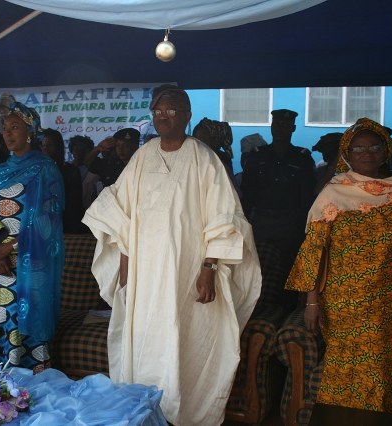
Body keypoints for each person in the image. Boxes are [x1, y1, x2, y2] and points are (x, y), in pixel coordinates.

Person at [82, 84, 261, 426]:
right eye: (158, 110)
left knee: (183, 341)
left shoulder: (204, 158)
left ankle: (184, 416)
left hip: (187, 273)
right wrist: (124, 265)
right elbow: (122, 213)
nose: (163, 116)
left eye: (171, 109)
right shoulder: (142, 156)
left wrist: (208, 267)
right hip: (145, 276)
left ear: (187, 114)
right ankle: (143, 414)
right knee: (143, 339)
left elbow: (224, 217)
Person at [285, 117, 392, 414]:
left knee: (382, 375)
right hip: (341, 303)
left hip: (387, 302)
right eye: (358, 149)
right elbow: (317, 251)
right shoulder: (333, 191)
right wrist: (311, 301)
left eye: (374, 146)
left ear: (386, 150)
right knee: (340, 374)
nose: (367, 152)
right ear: (347, 154)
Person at [0, 102, 64, 373]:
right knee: (2, 317)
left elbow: (49, 221)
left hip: (31, 260)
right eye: (5, 128)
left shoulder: (45, 169)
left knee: (29, 320)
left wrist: (10, 247)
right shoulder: (1, 171)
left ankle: (31, 384)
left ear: (30, 132)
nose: (8, 133)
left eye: (15, 127)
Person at [240, 108, 315, 312]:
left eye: (285, 125)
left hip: (290, 226)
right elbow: (247, 194)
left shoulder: (302, 158)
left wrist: (303, 230)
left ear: (293, 128)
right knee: (259, 272)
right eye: (277, 125)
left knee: (288, 273)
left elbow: (308, 198)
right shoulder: (257, 157)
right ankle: (258, 316)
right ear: (271, 128)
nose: (281, 129)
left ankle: (285, 316)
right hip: (262, 224)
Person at [42, 128, 86, 233]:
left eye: (49, 145)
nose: (45, 149)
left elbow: (74, 206)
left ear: (58, 147)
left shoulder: (70, 171)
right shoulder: (34, 171)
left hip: (65, 228)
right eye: (43, 146)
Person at [68, 135, 100, 210]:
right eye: (76, 150)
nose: (79, 153)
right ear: (72, 151)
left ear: (89, 151)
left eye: (83, 150)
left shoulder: (95, 170)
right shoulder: (67, 168)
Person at [234, 133, 267, 198]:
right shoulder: (237, 179)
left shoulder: (270, 178)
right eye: (244, 156)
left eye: (251, 157)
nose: (246, 161)